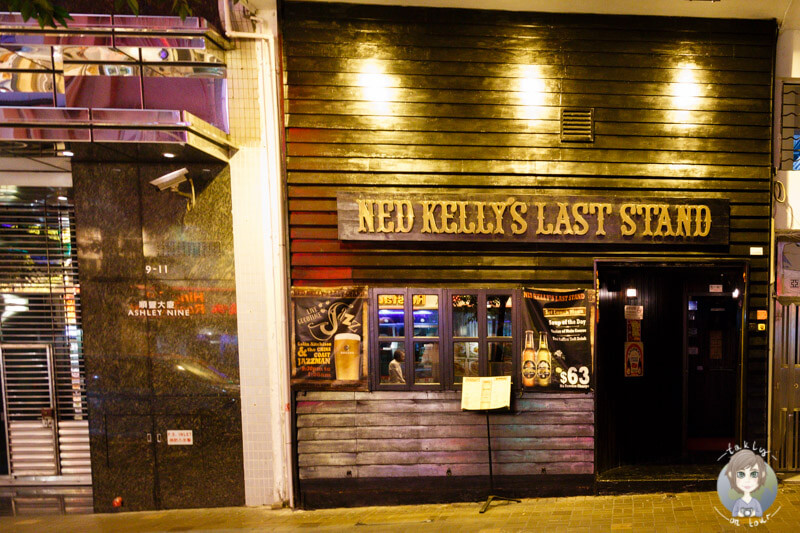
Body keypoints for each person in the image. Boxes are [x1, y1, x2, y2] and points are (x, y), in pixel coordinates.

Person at [725, 449, 767, 517]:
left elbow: (759, 513)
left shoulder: (755, 502)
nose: (747, 480)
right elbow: (734, 513)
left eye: (754, 474)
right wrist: (740, 513)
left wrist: (753, 513)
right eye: (741, 474)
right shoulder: (738, 502)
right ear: (731, 475)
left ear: (762, 474)